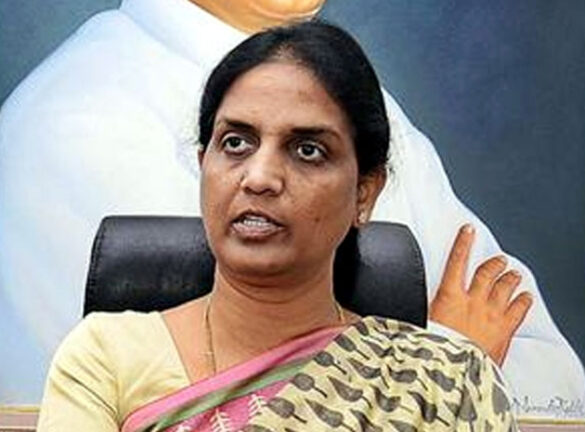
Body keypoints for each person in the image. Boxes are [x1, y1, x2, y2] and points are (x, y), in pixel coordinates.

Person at [1, 0, 583, 418]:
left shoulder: (357, 104)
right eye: (235, 143)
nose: (261, 178)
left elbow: (557, 388)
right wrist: (435, 373)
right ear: (202, 159)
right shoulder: (75, 127)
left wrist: (445, 366)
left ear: (367, 191)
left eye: (309, 151)